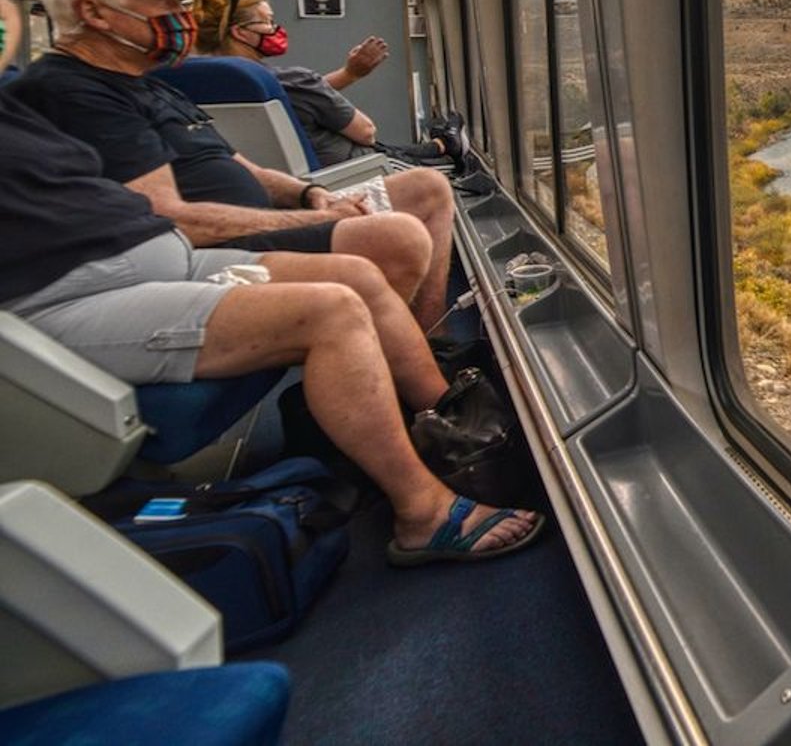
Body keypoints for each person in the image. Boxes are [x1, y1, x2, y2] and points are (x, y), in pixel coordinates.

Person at [0, 96, 542, 564]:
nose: (171, 17)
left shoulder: (22, 112)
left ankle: (463, 436)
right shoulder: (61, 92)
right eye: (151, 4)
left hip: (163, 259)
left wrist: (307, 197)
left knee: (357, 276)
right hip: (66, 296)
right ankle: (422, 513)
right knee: (331, 311)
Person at [7, 0, 453, 332]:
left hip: (278, 203)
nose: (179, 15)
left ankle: (427, 342)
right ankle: (427, 342)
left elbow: (236, 164)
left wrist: (308, 194)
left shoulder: (155, 80)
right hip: (225, 235)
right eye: (161, 3)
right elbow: (166, 214)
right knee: (409, 217)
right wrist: (315, 214)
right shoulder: (73, 92)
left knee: (424, 186)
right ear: (94, 14)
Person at [192, 0, 465, 170]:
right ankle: (446, 147)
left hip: (272, 179)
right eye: (268, 22)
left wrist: (350, 74)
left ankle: (441, 144)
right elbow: (367, 133)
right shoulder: (291, 80)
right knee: (419, 169)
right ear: (241, 33)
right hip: (348, 174)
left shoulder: (195, 83)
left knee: (400, 149)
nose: (275, 29)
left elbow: (295, 95)